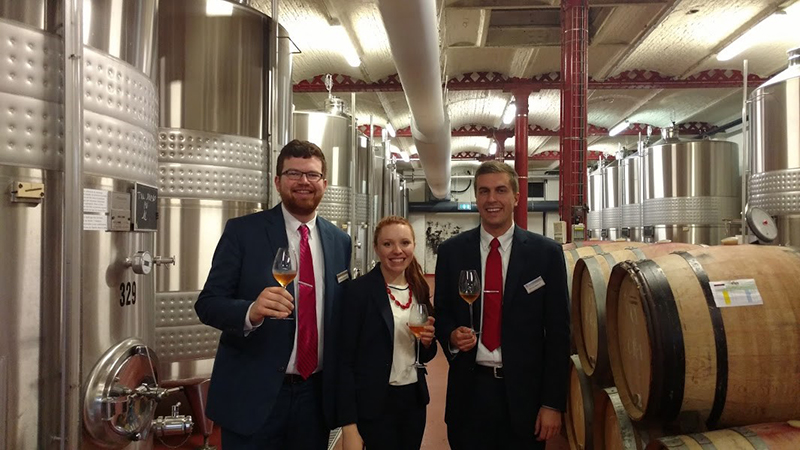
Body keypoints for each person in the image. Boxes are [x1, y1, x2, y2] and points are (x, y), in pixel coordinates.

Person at [195, 139, 352, 450]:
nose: (304, 182)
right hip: (254, 395)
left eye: (312, 175)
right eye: (294, 173)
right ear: (278, 181)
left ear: (325, 183)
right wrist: (250, 311)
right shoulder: (244, 232)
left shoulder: (339, 241)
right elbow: (208, 304)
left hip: (314, 397)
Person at [433, 161, 570, 450]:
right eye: (483, 191)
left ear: (517, 197)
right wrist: (451, 336)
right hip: (469, 394)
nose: (491, 199)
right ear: (476, 198)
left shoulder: (546, 254)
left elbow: (559, 333)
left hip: (525, 397)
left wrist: (552, 403)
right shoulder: (452, 252)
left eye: (500, 190)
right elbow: (442, 311)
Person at [338, 215, 438, 450]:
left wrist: (426, 343)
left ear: (414, 245)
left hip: (413, 401)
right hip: (374, 404)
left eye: (405, 243)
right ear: (376, 248)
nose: (397, 251)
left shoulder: (419, 289)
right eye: (387, 244)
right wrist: (348, 424)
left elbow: (426, 354)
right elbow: (343, 361)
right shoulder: (358, 292)